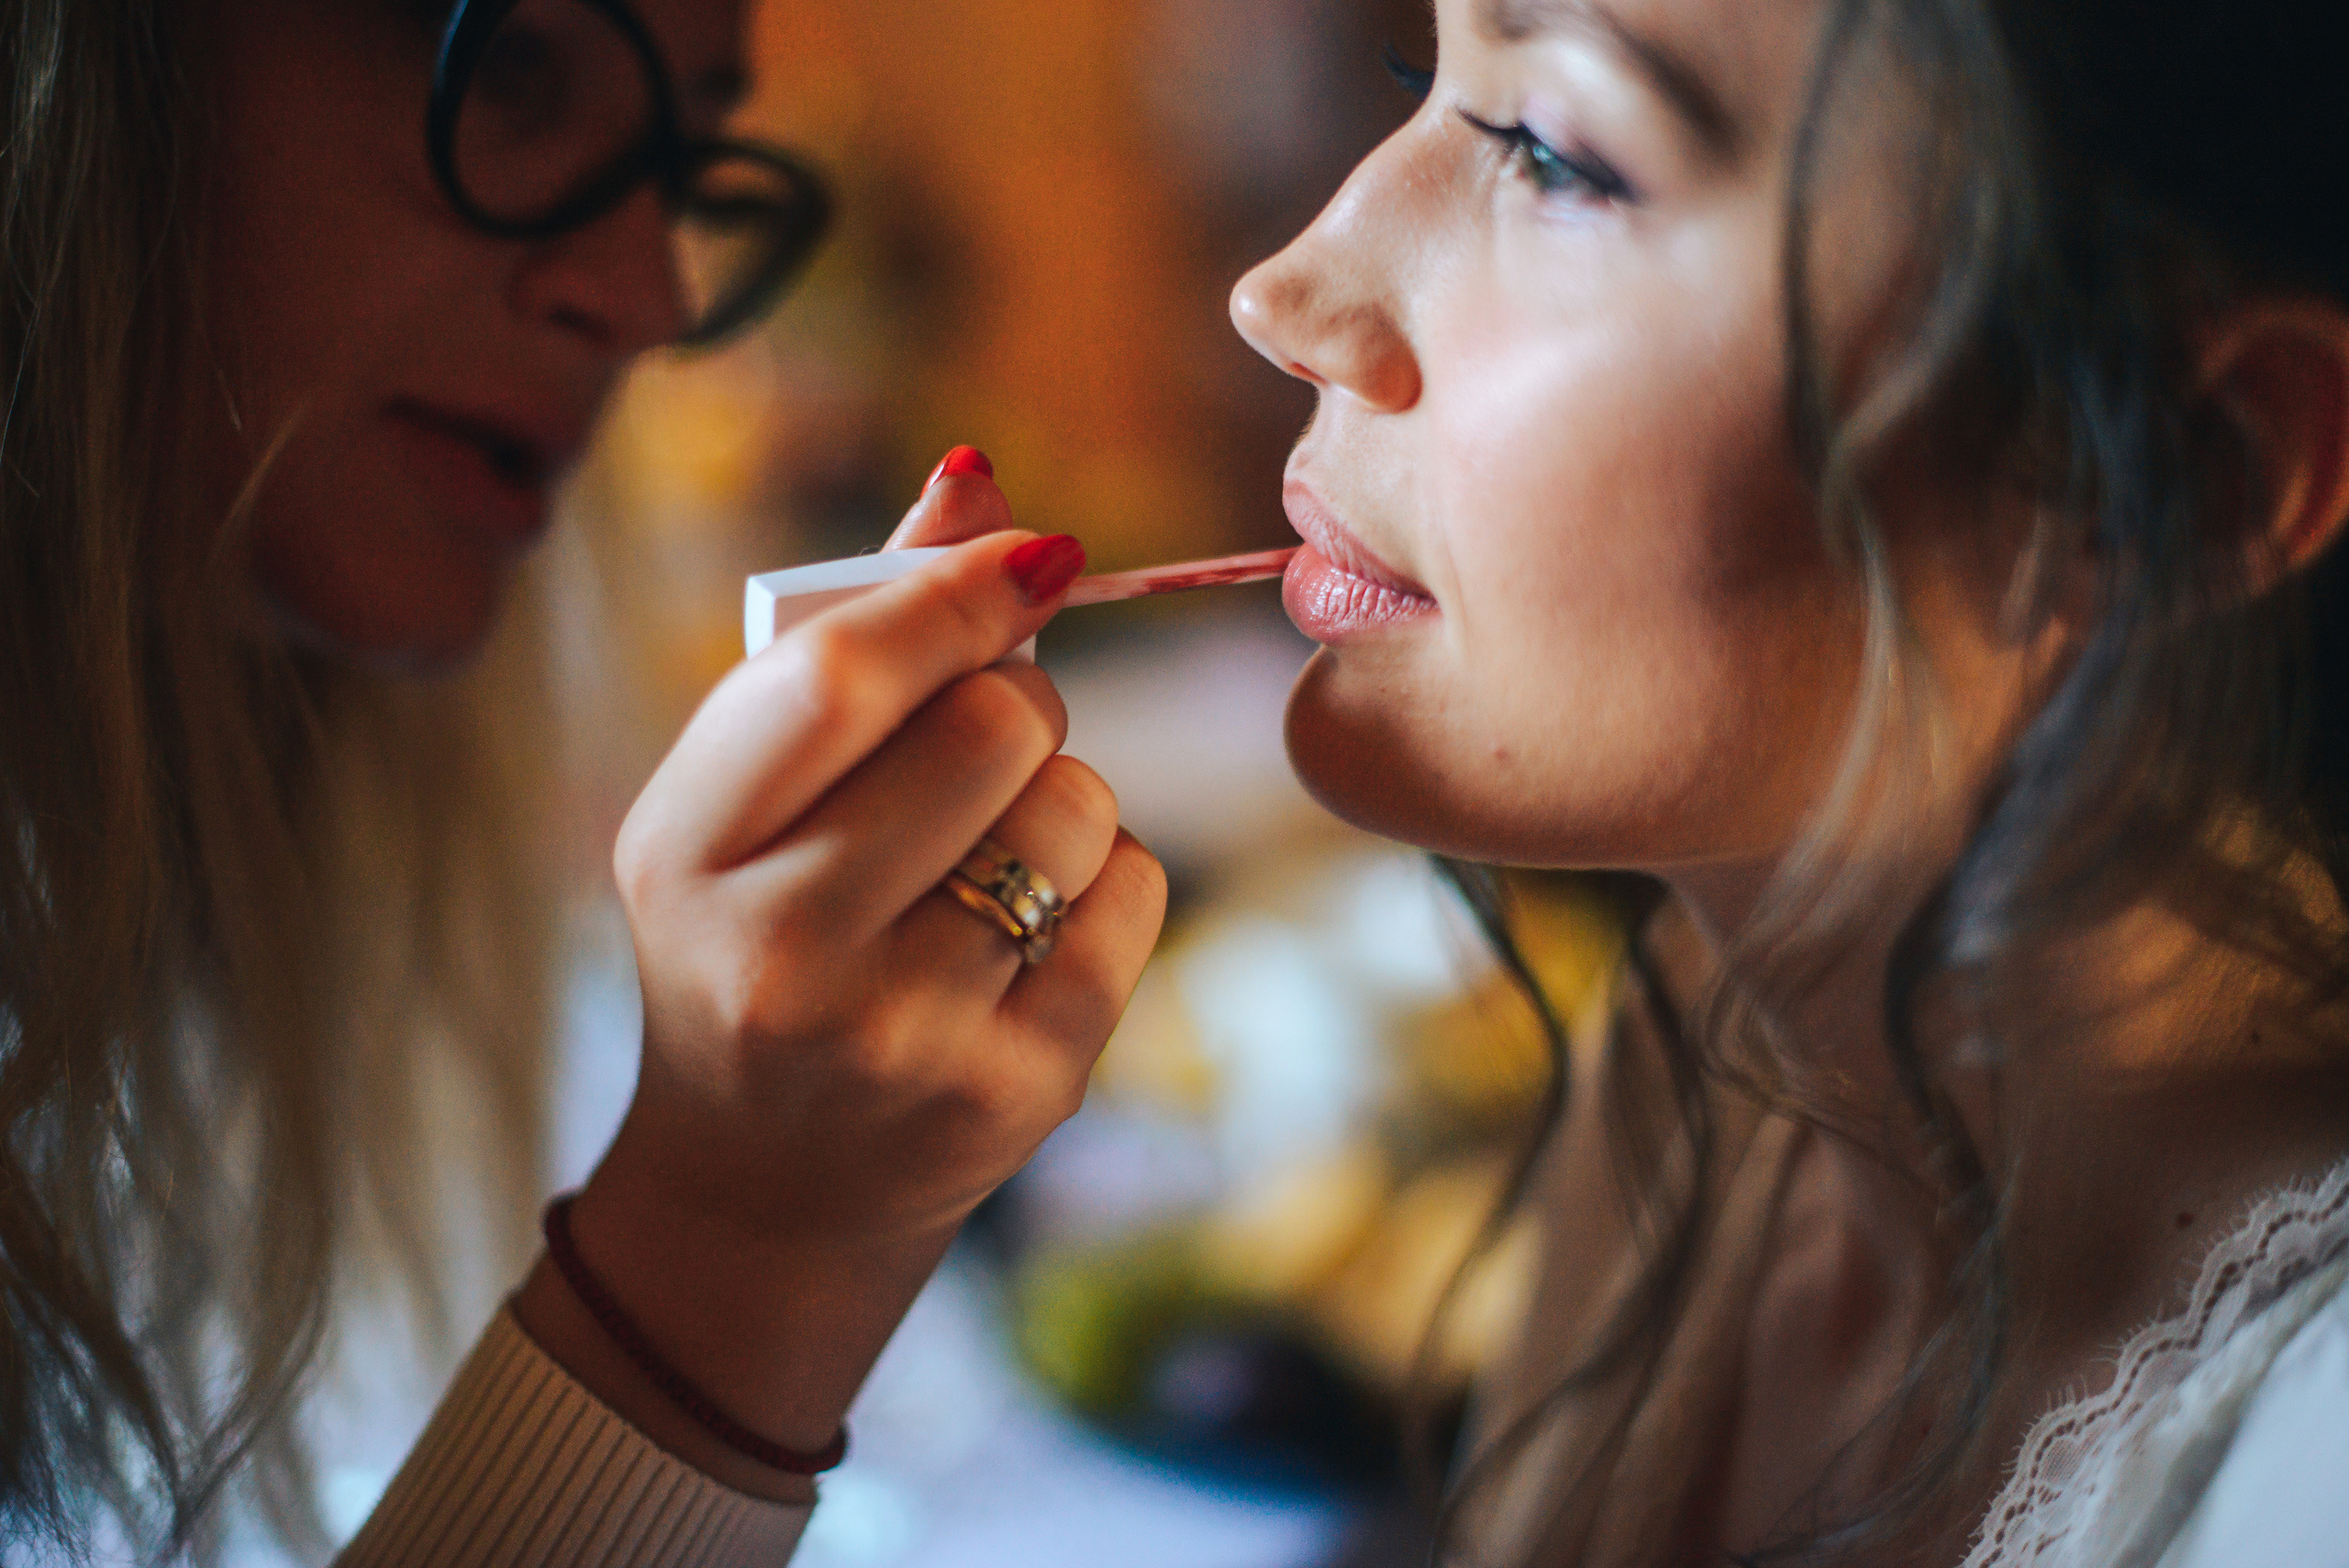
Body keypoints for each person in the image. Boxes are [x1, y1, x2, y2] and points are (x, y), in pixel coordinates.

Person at [8, 3, 2348, 1568]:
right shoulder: (1714, 1063)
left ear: (2179, 461)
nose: (1284, 287)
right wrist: (728, 1261)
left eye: (1550, 148)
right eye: (1424, 74)